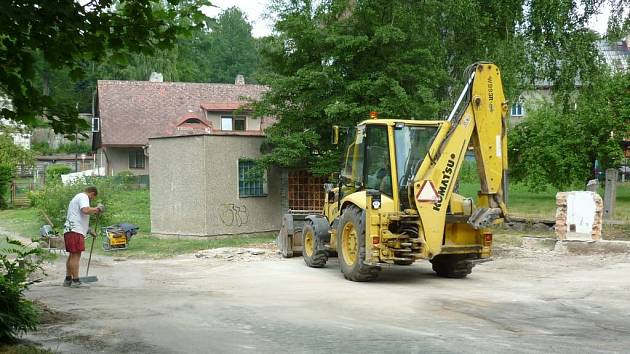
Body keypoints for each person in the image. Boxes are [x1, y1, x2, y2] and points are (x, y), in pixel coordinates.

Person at [63, 186, 103, 288]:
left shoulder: (76, 198)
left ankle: (68, 279)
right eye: (92, 198)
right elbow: (85, 210)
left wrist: (89, 230)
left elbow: (78, 216)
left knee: (72, 255)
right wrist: (97, 209)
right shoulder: (83, 197)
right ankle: (76, 281)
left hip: (70, 229)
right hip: (75, 230)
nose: (91, 200)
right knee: (76, 256)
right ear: (92, 193)